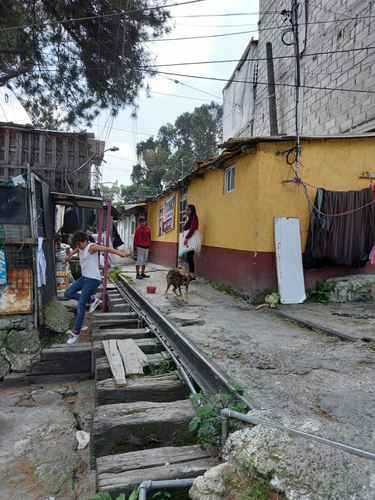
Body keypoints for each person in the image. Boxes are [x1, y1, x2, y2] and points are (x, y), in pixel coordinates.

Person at [64, 231, 128, 345]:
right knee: (68, 293)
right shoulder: (80, 247)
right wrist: (68, 257)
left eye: (79, 244)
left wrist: (120, 253)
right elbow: (75, 250)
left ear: (84, 241)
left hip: (93, 280)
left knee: (81, 304)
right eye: (77, 246)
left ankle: (76, 333)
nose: (78, 247)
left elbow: (106, 249)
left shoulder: (91, 247)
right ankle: (93, 300)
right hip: (84, 278)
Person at [183, 204, 199, 278]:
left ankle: (192, 275)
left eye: (188, 210)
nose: (186, 211)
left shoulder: (194, 218)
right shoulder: (189, 218)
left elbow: (192, 229)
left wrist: (187, 237)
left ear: (192, 210)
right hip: (189, 239)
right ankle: (189, 274)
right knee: (188, 257)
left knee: (190, 257)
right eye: (186, 210)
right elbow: (186, 227)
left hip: (191, 239)